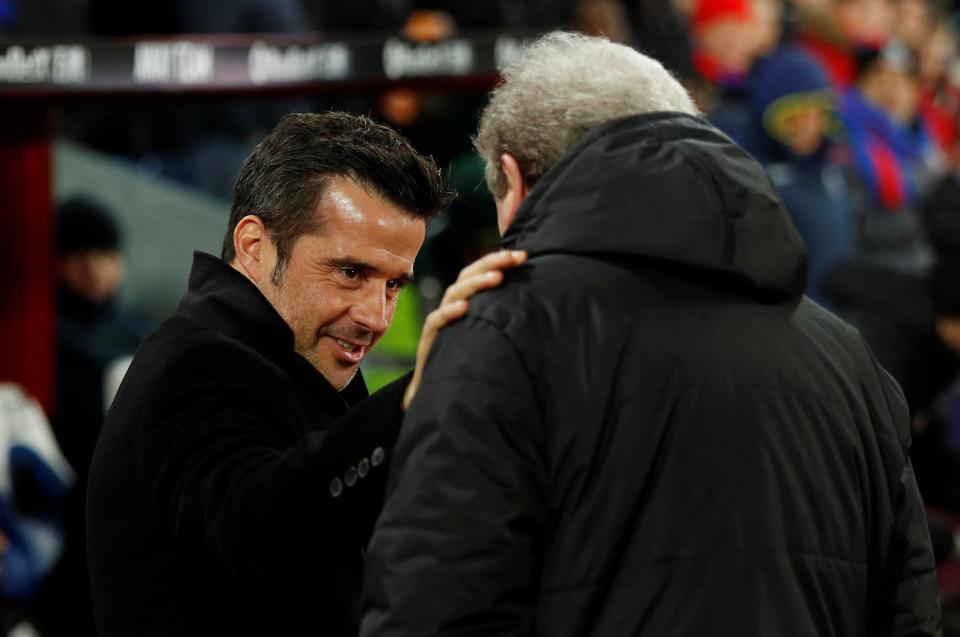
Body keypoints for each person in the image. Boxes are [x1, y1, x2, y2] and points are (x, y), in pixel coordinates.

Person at [360, 32, 941, 636]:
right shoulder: (848, 358)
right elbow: (908, 613)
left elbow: (431, 610)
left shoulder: (501, 332)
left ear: (515, 179)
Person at [85, 111, 526, 636]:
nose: (376, 316)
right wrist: (422, 392)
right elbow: (259, 525)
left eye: (394, 285)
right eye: (349, 272)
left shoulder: (292, 358)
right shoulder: (197, 365)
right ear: (254, 246)